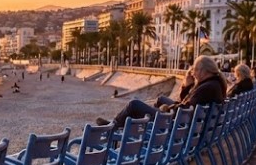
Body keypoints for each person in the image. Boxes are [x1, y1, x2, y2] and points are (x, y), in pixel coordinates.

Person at [96, 55, 225, 128]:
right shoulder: (214, 84)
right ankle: (135, 125)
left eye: (195, 70)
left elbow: (185, 106)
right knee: (160, 99)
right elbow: (187, 103)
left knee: (134, 104)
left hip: (174, 123)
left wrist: (167, 109)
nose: (194, 73)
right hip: (184, 122)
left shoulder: (206, 87)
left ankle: (113, 126)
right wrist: (187, 86)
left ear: (204, 71)